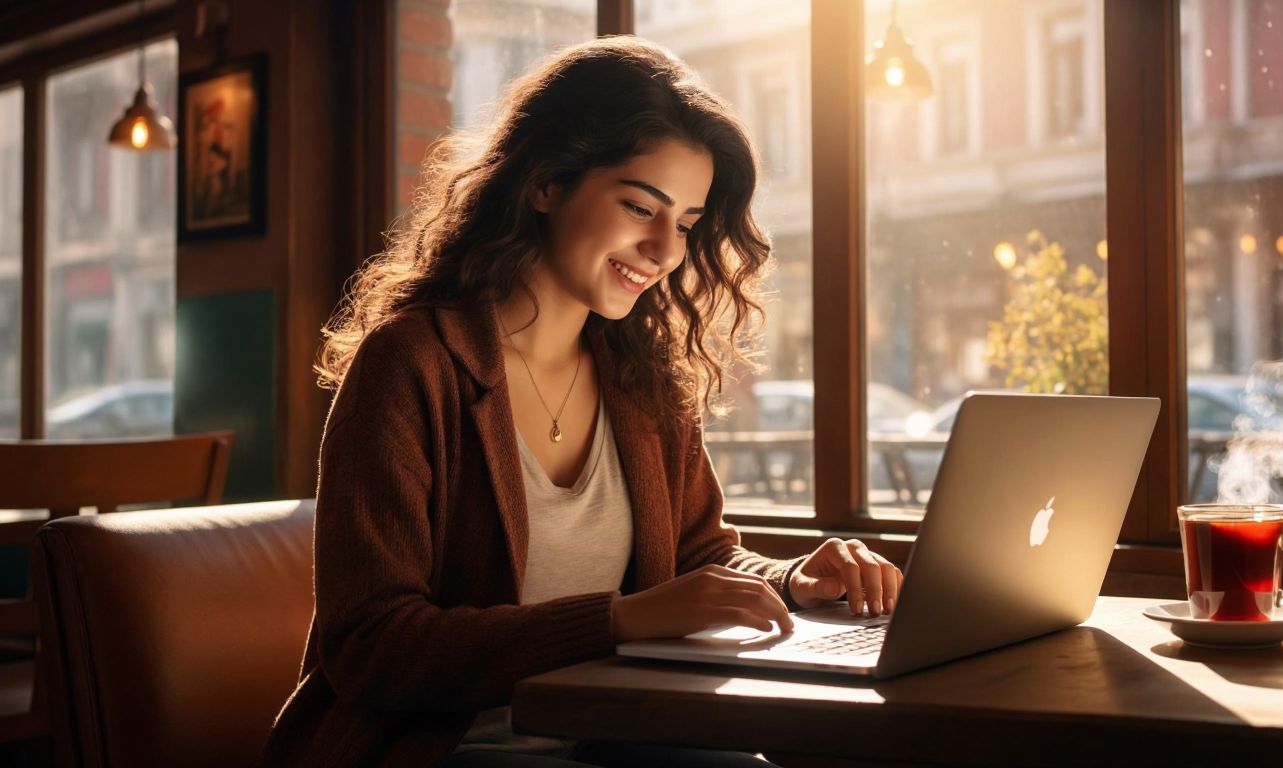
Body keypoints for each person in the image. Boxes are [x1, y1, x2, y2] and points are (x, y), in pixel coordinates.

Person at [259, 37, 902, 768]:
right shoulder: (411, 364)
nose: (665, 250)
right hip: (433, 747)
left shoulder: (642, 379)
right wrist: (618, 621)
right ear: (546, 184)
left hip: (607, 731)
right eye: (640, 207)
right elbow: (372, 646)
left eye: (687, 224)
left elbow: (698, 559)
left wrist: (791, 579)